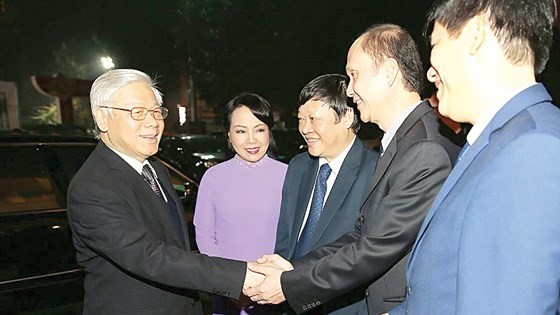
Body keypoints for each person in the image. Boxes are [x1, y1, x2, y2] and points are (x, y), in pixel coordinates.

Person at [245, 24, 460, 315]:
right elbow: (362, 234)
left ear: (388, 73)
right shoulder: (403, 141)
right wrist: (293, 268)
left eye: (354, 75)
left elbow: (375, 247)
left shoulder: (424, 149)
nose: (350, 89)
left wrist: (290, 283)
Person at [394, 0, 560, 313]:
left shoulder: (532, 151)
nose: (430, 73)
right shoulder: (500, 141)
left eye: (436, 45)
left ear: (474, 36)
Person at [67, 69, 261, 314]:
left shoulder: (156, 168)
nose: (153, 122)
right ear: (102, 118)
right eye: (137, 113)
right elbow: (149, 256)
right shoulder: (93, 187)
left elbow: (174, 246)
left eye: (156, 112)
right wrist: (238, 277)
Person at [274, 74, 378, 314]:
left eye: (313, 119)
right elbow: (285, 240)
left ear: (347, 117)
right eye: (300, 119)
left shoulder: (376, 171)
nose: (304, 129)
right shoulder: (298, 167)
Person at [194, 92, 288, 314]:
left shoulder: (290, 176)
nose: (251, 140)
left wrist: (278, 282)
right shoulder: (213, 178)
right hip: (228, 292)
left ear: (269, 132)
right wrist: (230, 284)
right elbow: (205, 237)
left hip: (278, 290)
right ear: (228, 134)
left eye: (259, 129)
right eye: (241, 131)